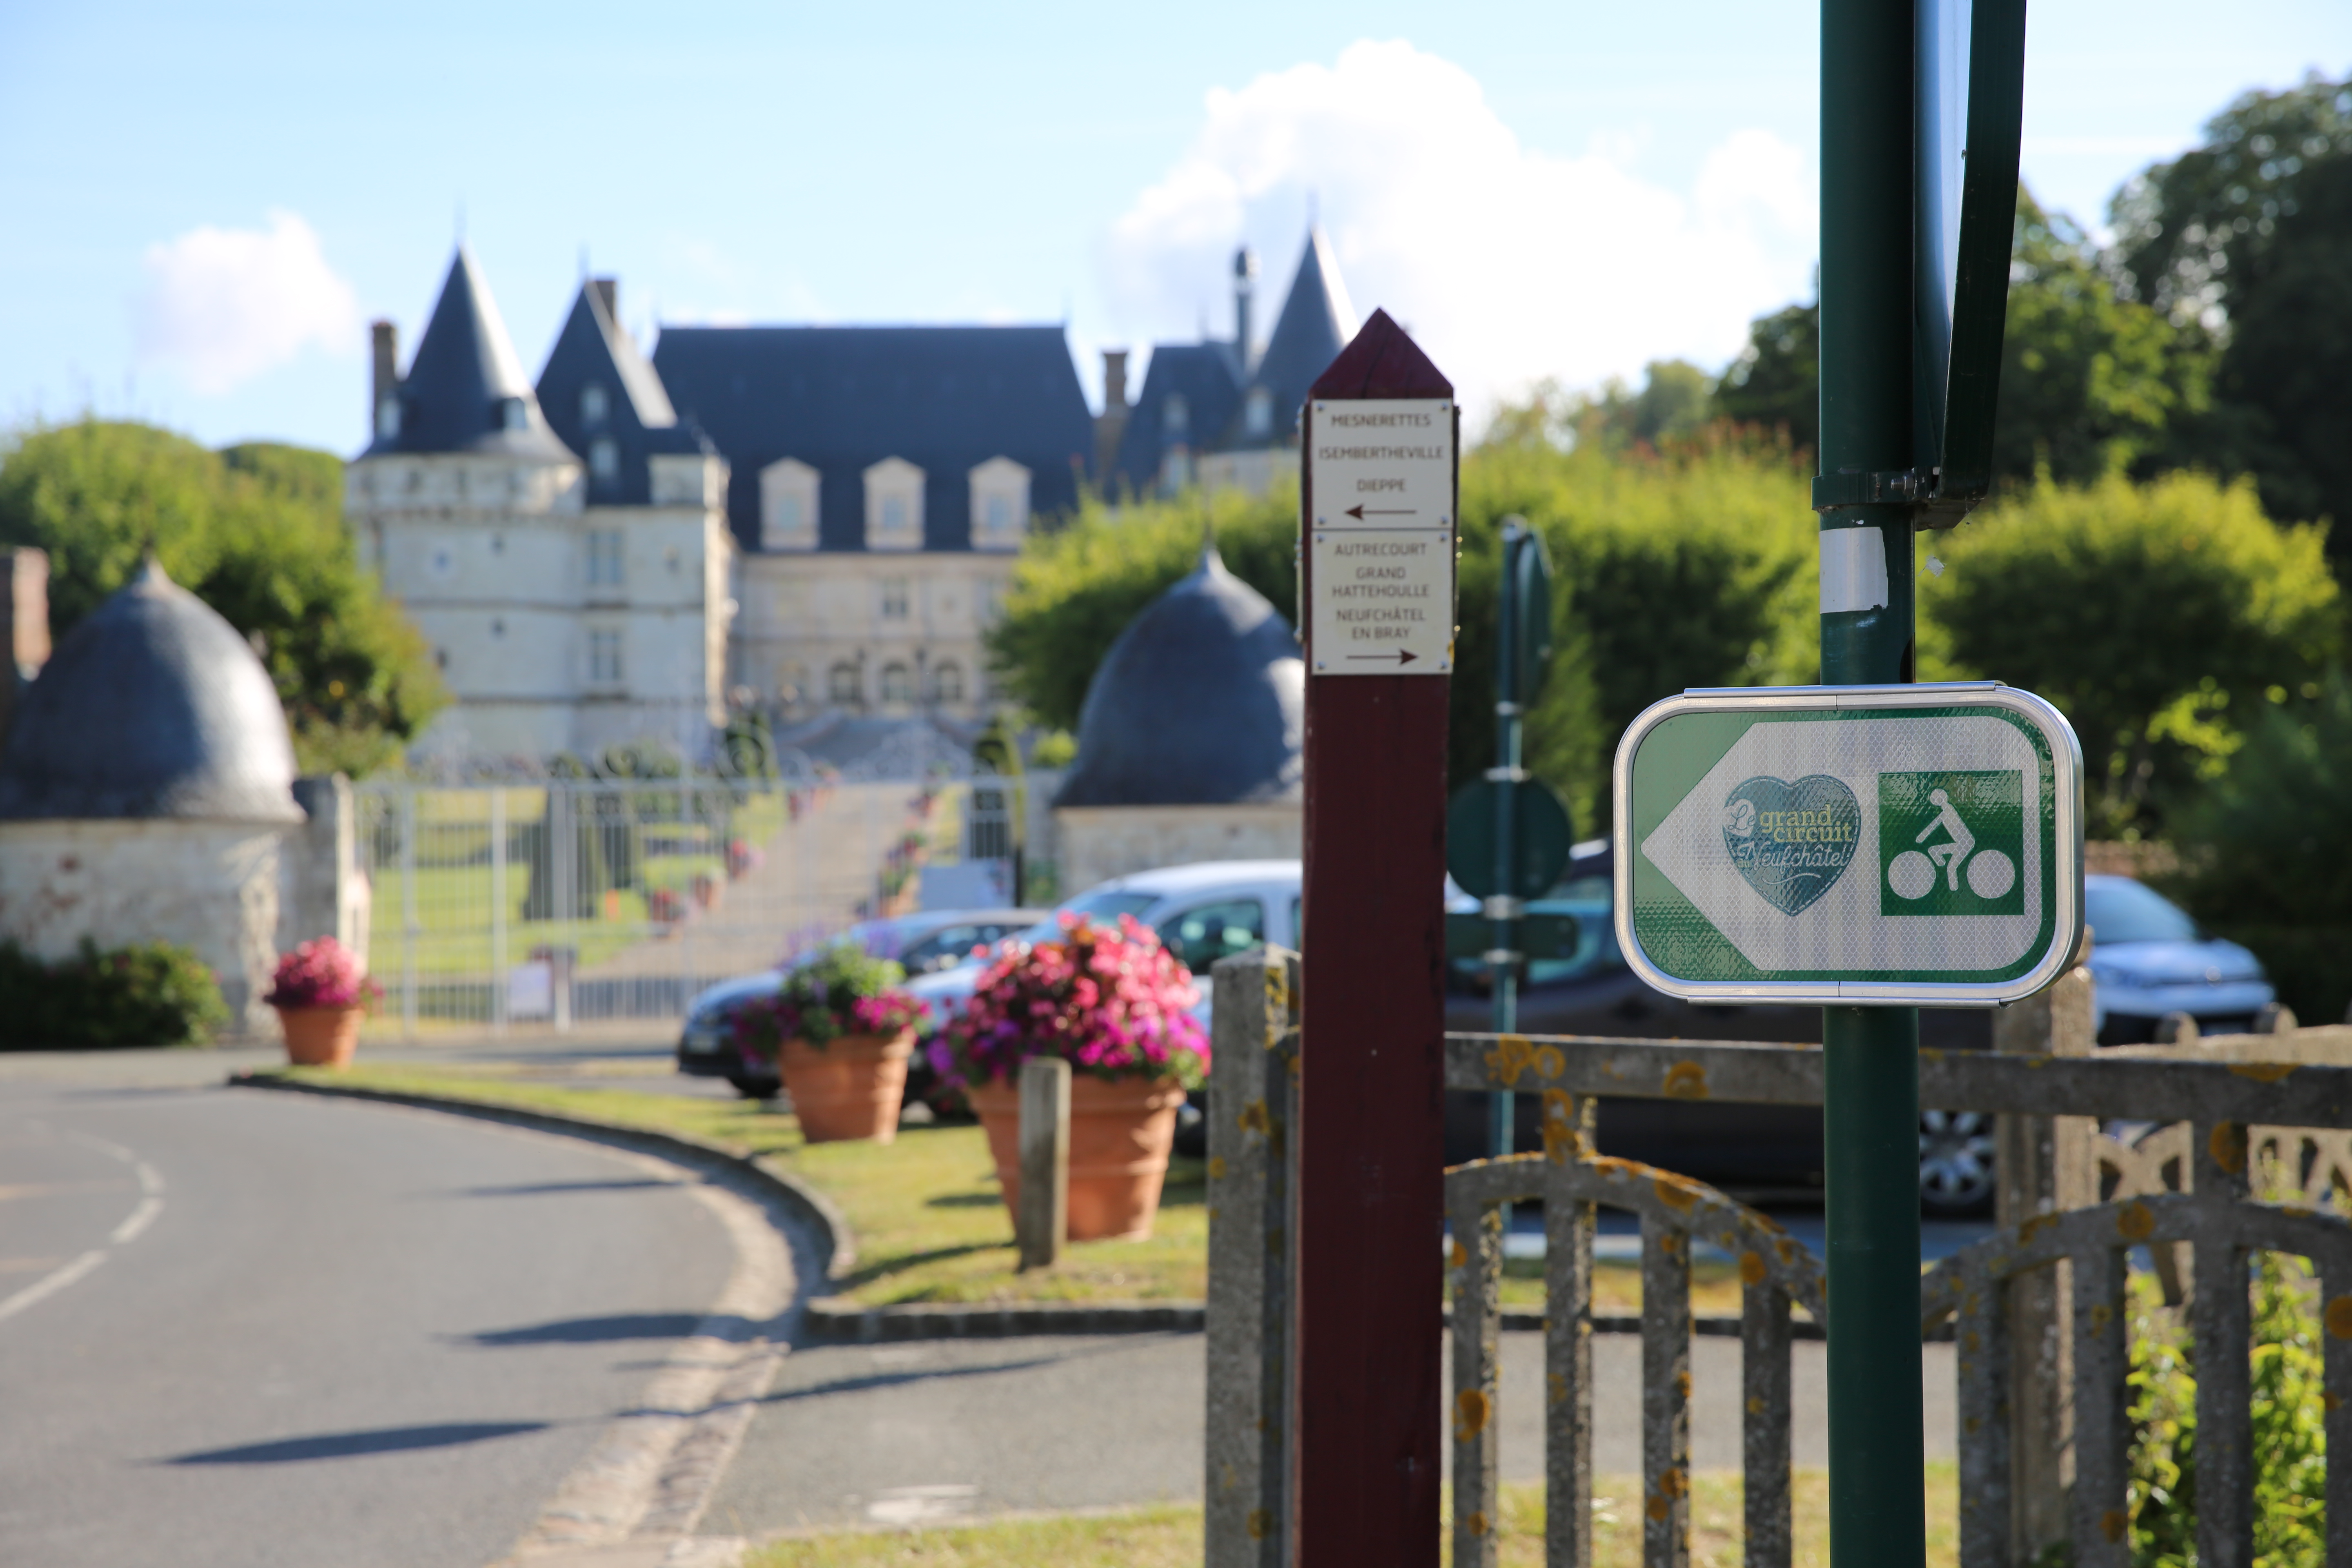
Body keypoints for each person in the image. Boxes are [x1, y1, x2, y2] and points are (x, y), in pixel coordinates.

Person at [1916, 787, 1974, 892]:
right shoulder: (1945, 813)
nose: (1938, 801)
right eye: (1935, 799)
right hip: (1960, 844)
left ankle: (1954, 891)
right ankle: (1941, 865)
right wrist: (1921, 838)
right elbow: (1932, 826)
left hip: (1966, 843)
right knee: (1933, 851)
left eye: (1938, 798)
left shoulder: (1948, 811)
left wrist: (1921, 838)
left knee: (1951, 868)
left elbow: (1933, 825)